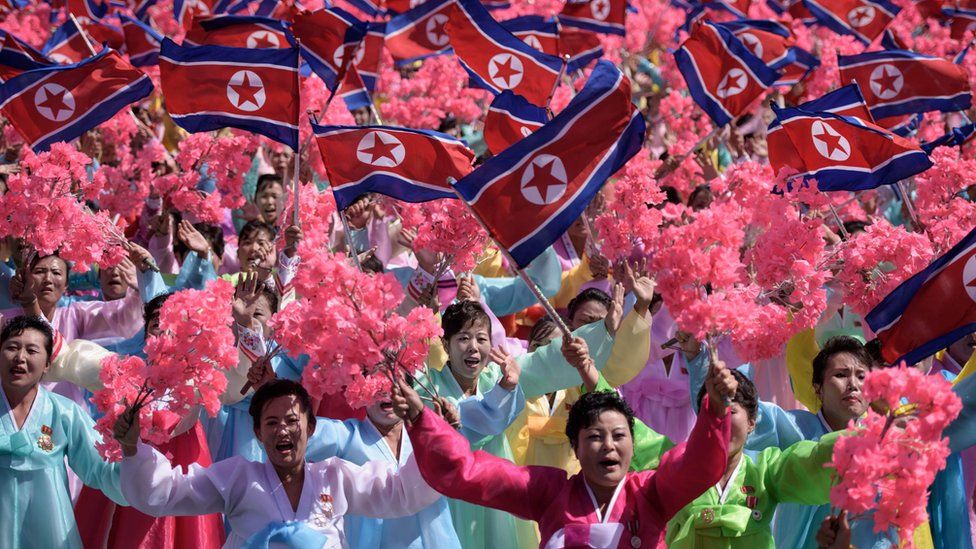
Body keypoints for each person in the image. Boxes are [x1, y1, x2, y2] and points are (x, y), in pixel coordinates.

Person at [393, 338, 738, 548]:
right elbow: (469, 472)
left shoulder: (651, 492)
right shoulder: (548, 491)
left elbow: (697, 465)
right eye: (594, 437)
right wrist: (421, 419)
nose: (608, 446)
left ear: (633, 444)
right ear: (575, 447)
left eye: (619, 436)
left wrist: (716, 409)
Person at [114, 378, 442, 548]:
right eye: (271, 423)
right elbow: (168, 492)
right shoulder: (238, 477)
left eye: (291, 420)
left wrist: (436, 438)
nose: (282, 430)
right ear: (257, 432)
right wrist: (131, 447)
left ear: (311, 428)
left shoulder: (334, 475)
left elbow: (399, 493)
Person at [245, 357, 463, 549]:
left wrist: (446, 435)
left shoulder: (427, 433)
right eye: (375, 384)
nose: (384, 392)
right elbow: (299, 431)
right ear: (360, 391)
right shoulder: (346, 436)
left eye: (393, 384)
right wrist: (271, 390)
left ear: (409, 390)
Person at [0, 315, 127, 548]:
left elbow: (101, 467)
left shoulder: (65, 412)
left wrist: (135, 460)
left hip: (50, 534)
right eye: (12, 348)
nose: (20, 358)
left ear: (48, 364)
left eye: (32, 350)